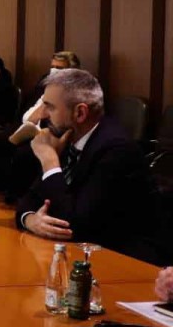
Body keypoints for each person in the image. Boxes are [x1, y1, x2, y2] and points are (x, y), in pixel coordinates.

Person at [14, 69, 169, 265]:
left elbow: (75, 226)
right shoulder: (67, 136)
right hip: (85, 252)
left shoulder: (116, 150)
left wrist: (50, 161)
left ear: (80, 113)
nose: (42, 115)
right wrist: (30, 220)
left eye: (50, 107)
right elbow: (28, 200)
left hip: (127, 260)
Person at [0, 51, 81, 203]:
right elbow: (30, 110)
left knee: (23, 153)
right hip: (26, 126)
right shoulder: (45, 83)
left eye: (59, 68)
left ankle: (16, 199)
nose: (54, 71)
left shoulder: (76, 91)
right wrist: (32, 117)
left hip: (48, 132)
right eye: (52, 67)